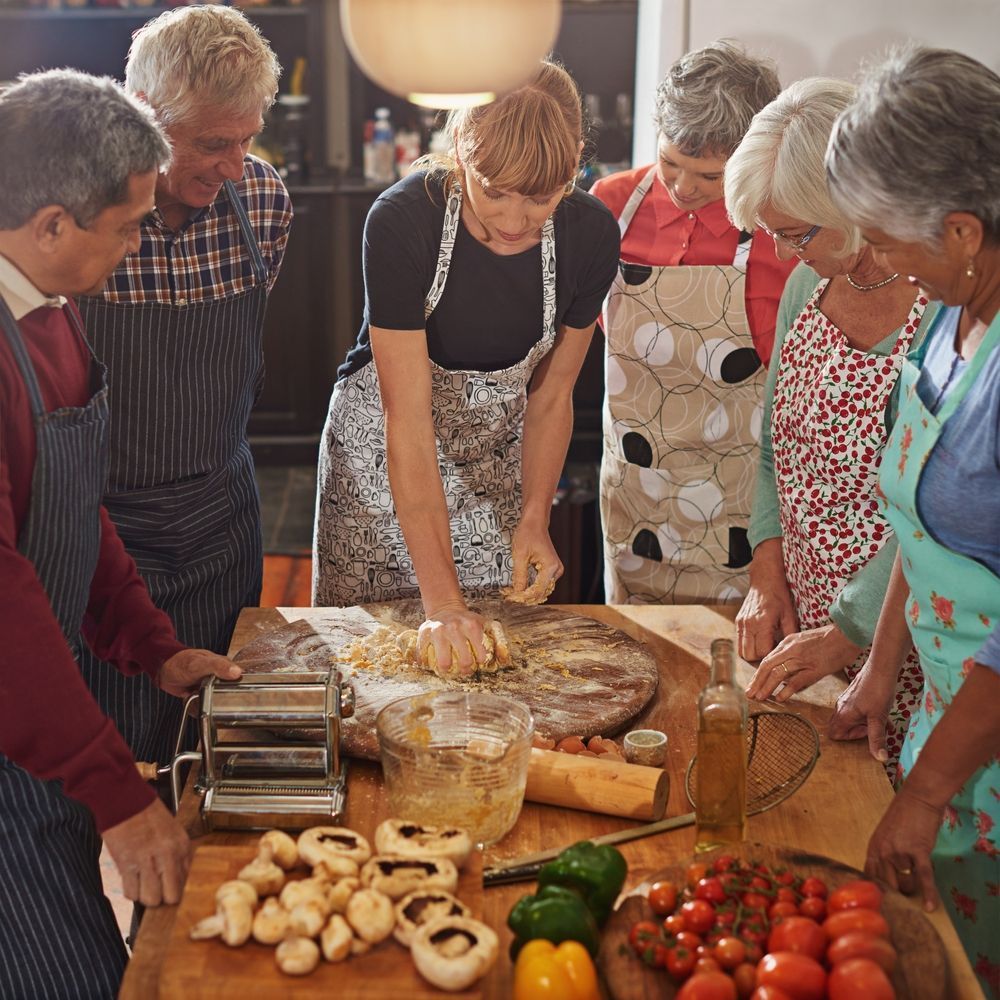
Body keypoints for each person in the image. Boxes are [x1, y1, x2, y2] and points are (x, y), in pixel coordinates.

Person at [0, 69, 242, 1000]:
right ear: (53, 223)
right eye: (130, 224)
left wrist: (152, 647)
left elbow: (69, 501)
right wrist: (118, 795)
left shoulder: (51, 315)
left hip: (36, 723)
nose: (142, 244)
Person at [313, 61, 620, 672]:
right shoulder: (404, 221)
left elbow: (552, 397)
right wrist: (442, 599)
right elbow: (407, 419)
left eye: (540, 198)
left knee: (483, 669)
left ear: (575, 165)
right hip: (383, 455)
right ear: (460, 151)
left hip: (493, 463)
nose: (512, 222)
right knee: (374, 665)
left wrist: (535, 517)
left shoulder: (591, 237)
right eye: (493, 191)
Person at [824, 47, 1000, 994]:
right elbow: (920, 530)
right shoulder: (948, 312)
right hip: (950, 716)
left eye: (885, 239)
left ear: (963, 228)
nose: (867, 261)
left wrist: (927, 792)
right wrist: (877, 670)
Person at [76, 5, 292, 769]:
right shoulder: (80, 220)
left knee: (211, 745)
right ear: (144, 118)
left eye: (246, 139)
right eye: (210, 144)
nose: (235, 165)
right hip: (100, 526)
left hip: (219, 516)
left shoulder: (262, 203)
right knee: (108, 751)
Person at [723, 78, 938, 778]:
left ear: (847, 203)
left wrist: (850, 634)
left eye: (795, 233)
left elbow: (928, 508)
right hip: (813, 622)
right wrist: (767, 575)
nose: (785, 254)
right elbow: (773, 450)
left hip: (901, 636)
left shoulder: (942, 309)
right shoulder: (803, 289)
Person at [591, 41, 796, 606]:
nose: (682, 188)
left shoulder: (781, 230)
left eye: (708, 175)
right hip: (636, 492)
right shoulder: (609, 206)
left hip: (739, 502)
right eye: (669, 163)